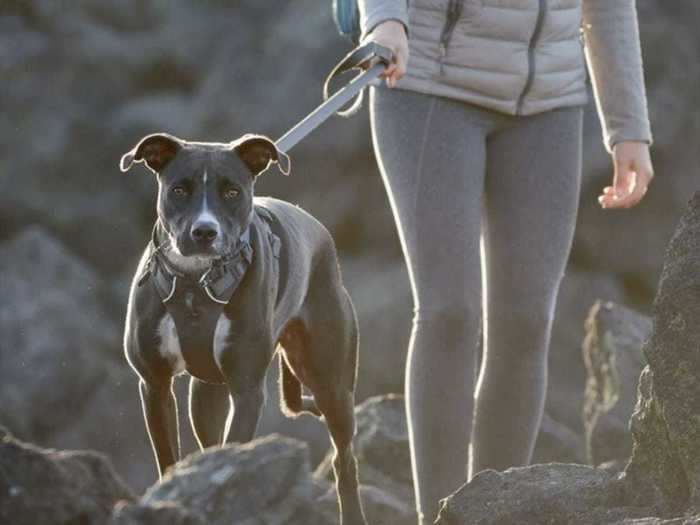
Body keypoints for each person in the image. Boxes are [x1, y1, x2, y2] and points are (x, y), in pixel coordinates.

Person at [356, 0, 654, 523]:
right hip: (430, 83)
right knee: (449, 312)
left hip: (550, 102)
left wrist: (628, 125)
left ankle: (494, 514)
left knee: (525, 321)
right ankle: (439, 517)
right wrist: (384, 20)